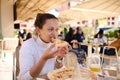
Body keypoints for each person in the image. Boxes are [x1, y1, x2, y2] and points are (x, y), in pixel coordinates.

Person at [18, 13, 69, 80]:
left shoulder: (55, 45)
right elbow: (23, 78)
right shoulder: (28, 46)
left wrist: (59, 58)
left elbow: (56, 72)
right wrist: (44, 59)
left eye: (56, 30)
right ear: (38, 30)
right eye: (50, 29)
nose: (55, 34)